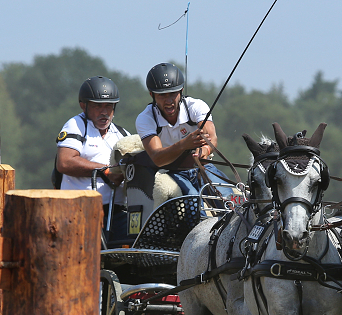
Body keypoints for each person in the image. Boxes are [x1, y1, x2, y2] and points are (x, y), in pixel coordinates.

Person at [134, 62, 230, 197]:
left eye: (173, 93)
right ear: (152, 95)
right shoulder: (146, 118)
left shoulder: (196, 106)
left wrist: (205, 150)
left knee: (228, 198)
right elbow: (158, 158)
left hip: (201, 167)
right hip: (170, 171)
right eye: (162, 95)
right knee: (192, 200)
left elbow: (211, 137)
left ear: (181, 91)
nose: (168, 101)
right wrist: (184, 144)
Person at [55, 76, 130, 220]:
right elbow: (64, 162)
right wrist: (106, 171)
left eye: (109, 105)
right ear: (84, 106)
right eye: (98, 106)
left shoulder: (123, 134)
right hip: (78, 210)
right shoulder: (76, 125)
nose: (104, 112)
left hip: (118, 213)